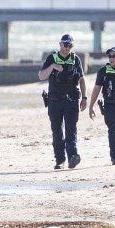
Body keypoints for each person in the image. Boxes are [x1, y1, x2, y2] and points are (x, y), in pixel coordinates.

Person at [38, 34, 87, 170]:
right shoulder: (52, 58)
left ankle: (73, 157)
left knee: (71, 130)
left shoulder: (75, 59)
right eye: (65, 45)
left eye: (70, 45)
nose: (67, 48)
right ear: (60, 44)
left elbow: (82, 80)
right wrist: (53, 66)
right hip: (54, 101)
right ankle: (60, 160)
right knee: (57, 132)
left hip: (71, 100)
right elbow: (41, 76)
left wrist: (84, 98)